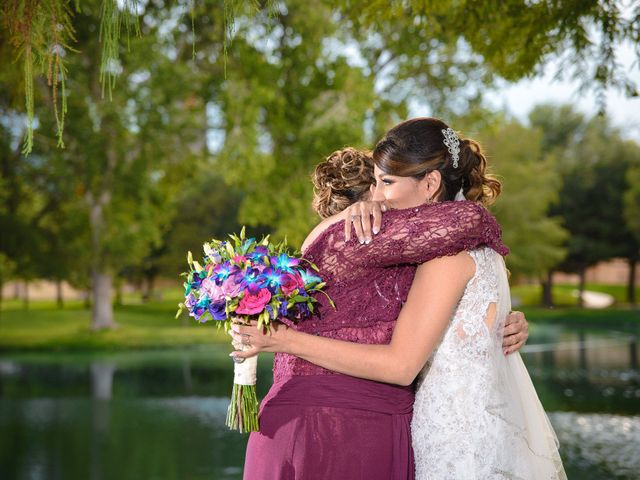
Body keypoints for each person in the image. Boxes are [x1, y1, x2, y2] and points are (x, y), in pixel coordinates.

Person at [233, 118, 565, 479]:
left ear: (431, 183)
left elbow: (466, 244)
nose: (375, 195)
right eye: (375, 182)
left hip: (401, 427)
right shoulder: (378, 232)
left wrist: (500, 323)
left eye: (386, 182)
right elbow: (471, 226)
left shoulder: (445, 247)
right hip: (339, 422)